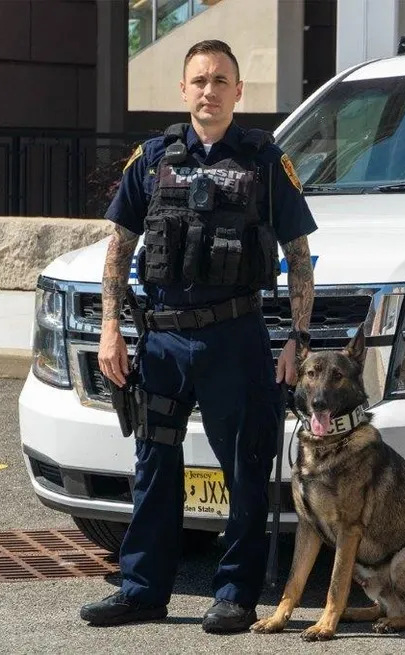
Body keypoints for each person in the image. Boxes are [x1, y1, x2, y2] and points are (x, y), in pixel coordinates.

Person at [79, 39, 317, 634]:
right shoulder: (153, 157)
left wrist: (297, 337)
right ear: (183, 90)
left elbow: (299, 255)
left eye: (220, 81)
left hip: (234, 337)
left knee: (245, 466)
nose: (208, 91)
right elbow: (119, 248)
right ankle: (142, 590)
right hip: (161, 341)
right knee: (154, 464)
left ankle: (235, 594)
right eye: (199, 81)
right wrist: (111, 328)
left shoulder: (264, 161)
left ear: (239, 92)